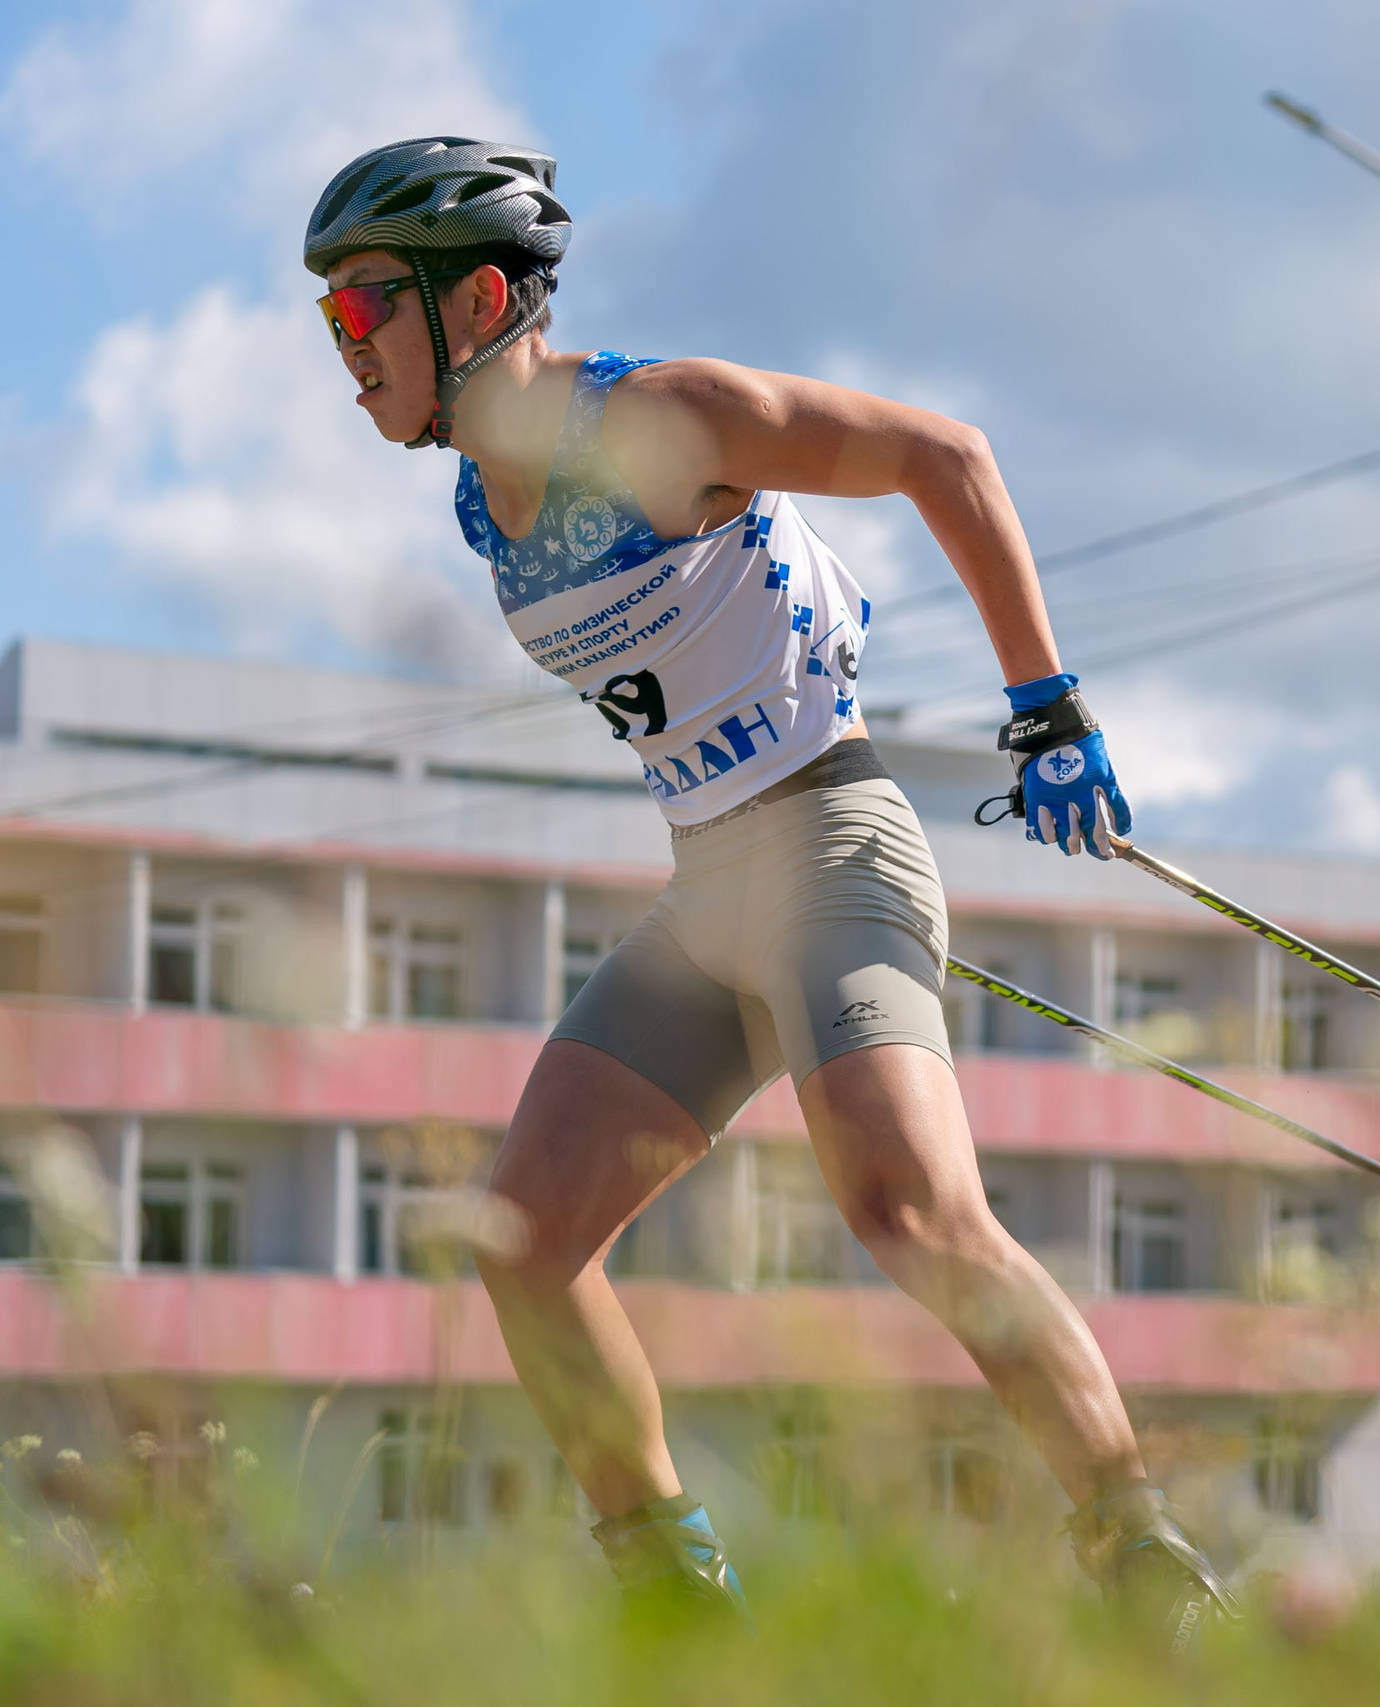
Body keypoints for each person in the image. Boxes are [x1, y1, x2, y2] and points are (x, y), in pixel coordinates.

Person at [304, 137, 1233, 1646]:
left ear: (477, 298)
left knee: (914, 1215)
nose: (341, 357)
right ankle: (673, 1590)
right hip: (707, 890)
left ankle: (1147, 1561)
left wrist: (1047, 707)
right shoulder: (483, 500)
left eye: (362, 316)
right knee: (523, 1242)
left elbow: (949, 457)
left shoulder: (661, 417)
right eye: (328, 325)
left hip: (830, 846)